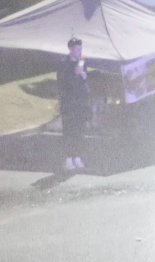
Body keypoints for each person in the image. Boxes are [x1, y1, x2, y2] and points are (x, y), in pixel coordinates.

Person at [57, 36, 90, 171]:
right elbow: (61, 81)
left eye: (80, 49)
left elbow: (85, 81)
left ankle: (77, 156)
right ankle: (68, 158)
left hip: (79, 103)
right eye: (77, 49)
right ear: (71, 49)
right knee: (69, 131)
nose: (79, 51)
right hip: (68, 103)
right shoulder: (64, 63)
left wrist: (83, 76)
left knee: (79, 130)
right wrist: (74, 74)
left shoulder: (82, 61)